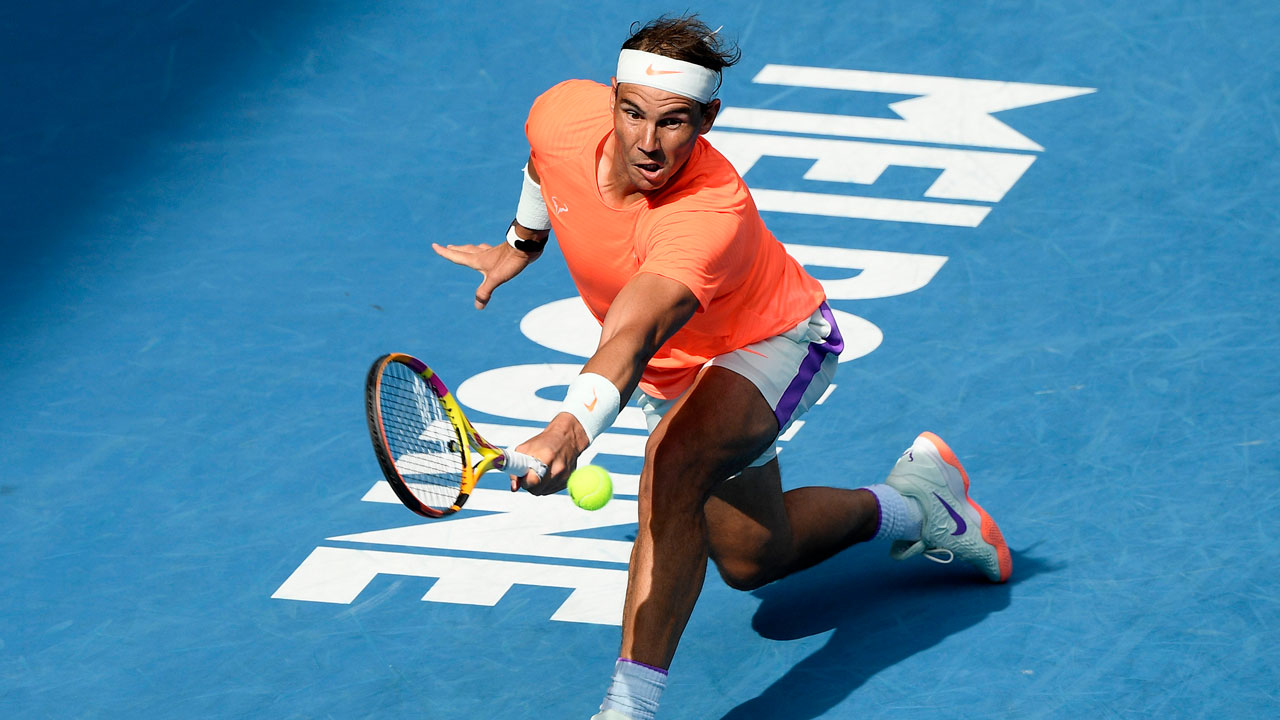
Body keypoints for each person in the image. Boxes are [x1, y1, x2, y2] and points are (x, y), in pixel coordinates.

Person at [432, 15, 1012, 720]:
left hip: (772, 340)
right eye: (632, 113)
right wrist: (522, 242)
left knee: (671, 465)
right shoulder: (561, 113)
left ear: (708, 119)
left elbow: (633, 332)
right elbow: (542, 163)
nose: (648, 142)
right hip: (676, 372)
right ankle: (918, 504)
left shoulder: (707, 212)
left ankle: (628, 708)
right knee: (753, 560)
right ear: (611, 97)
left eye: (673, 122)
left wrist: (568, 430)